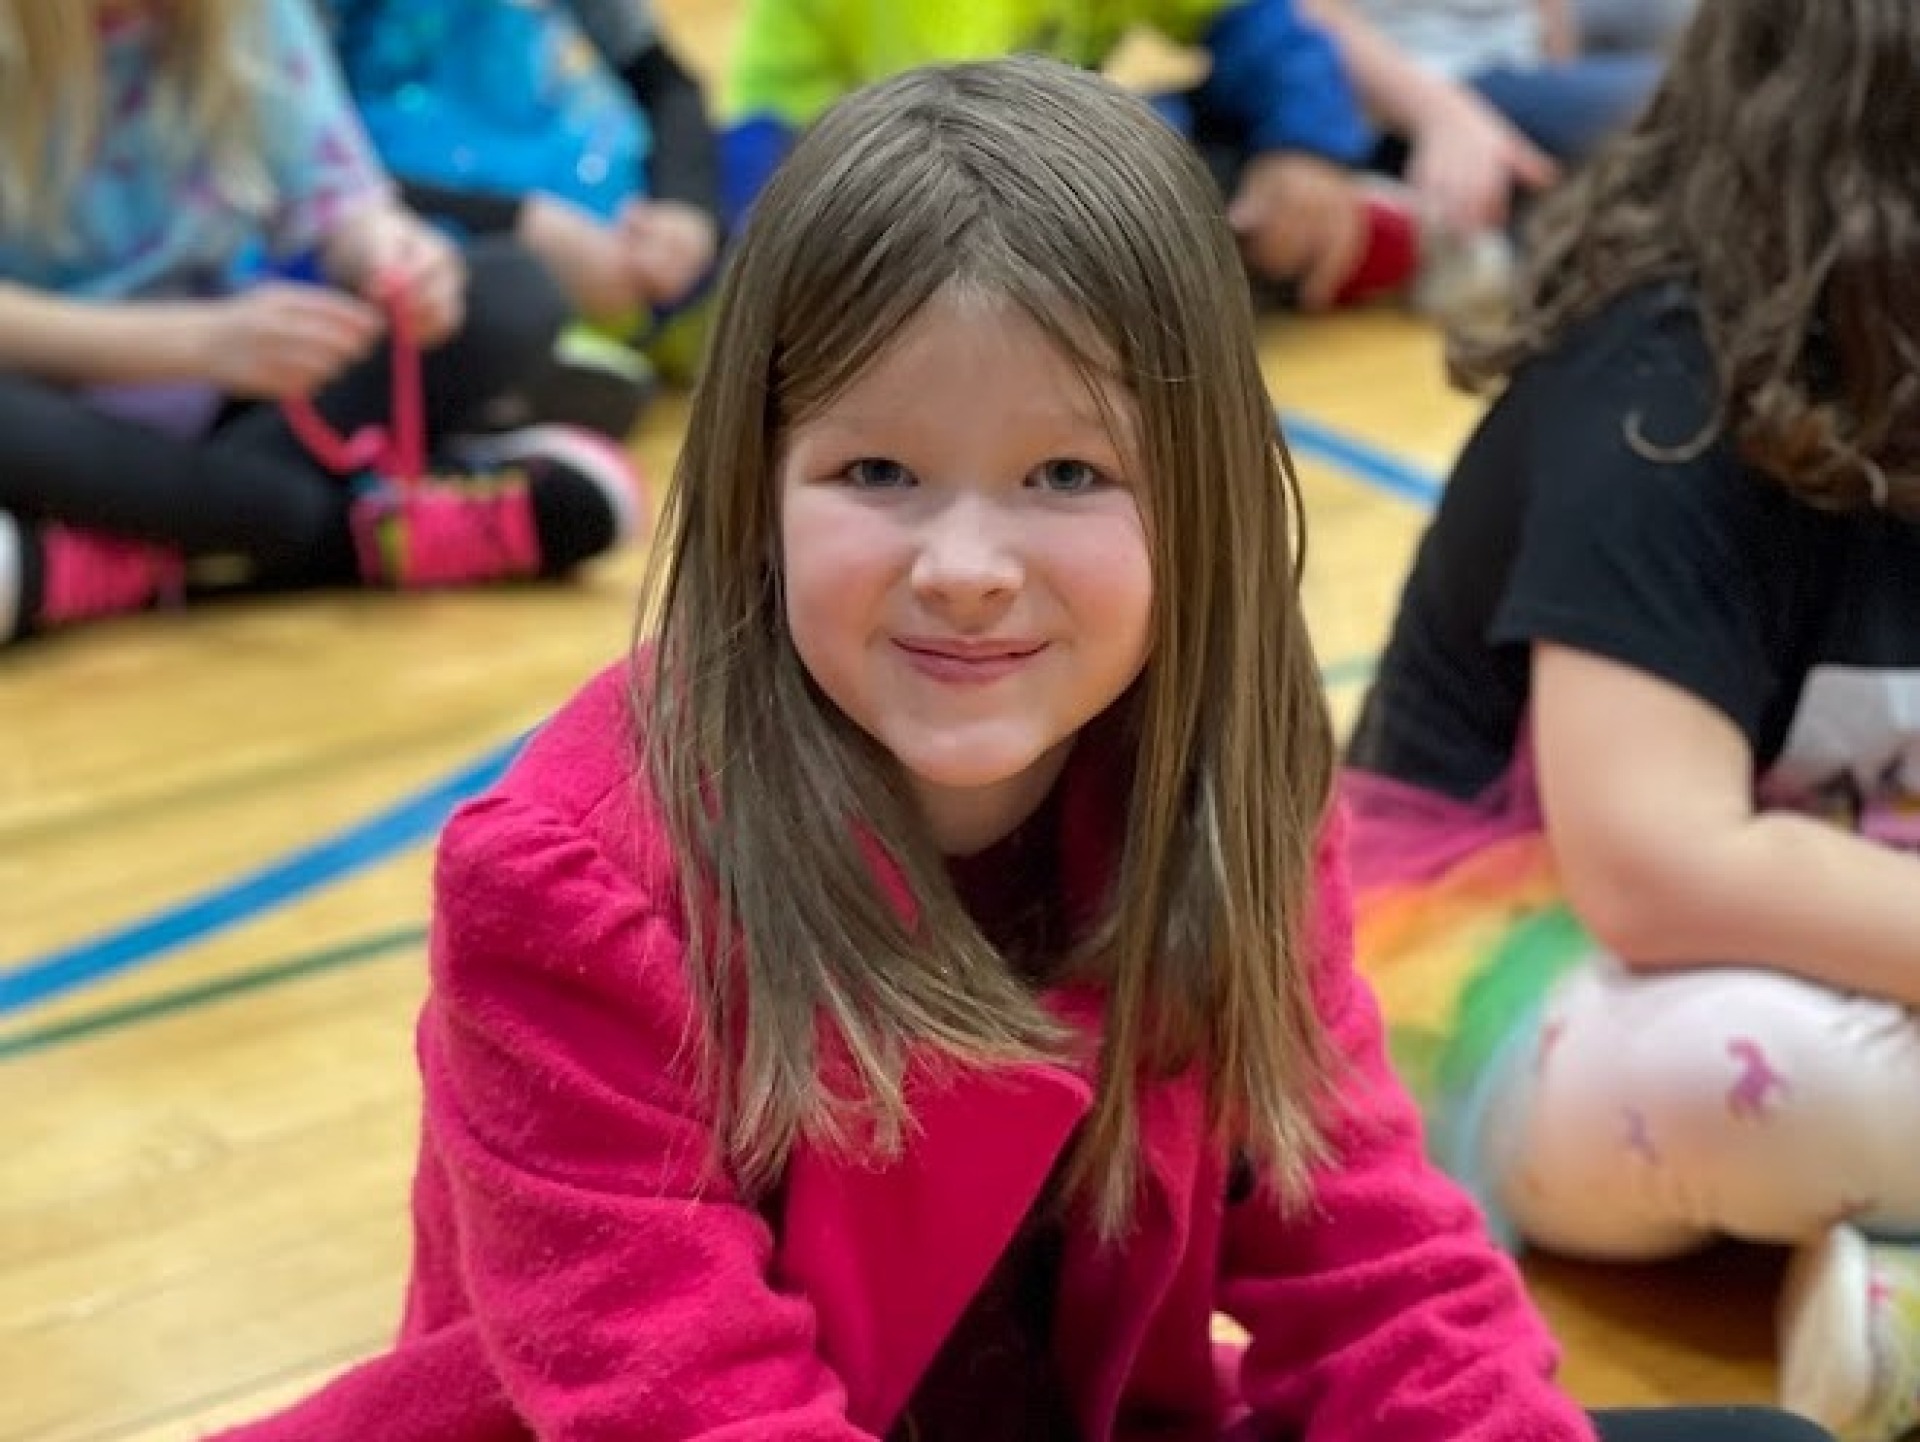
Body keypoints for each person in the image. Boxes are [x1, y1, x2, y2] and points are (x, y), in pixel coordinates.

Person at [213, 57, 1832, 1442]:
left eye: (1066, 473)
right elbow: (691, 1405)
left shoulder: (1215, 798)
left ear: (1193, 491)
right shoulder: (565, 888)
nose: (968, 563)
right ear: (758, 487)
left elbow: (1377, 1267)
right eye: (879, 472)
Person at [1341, 3, 1920, 1439]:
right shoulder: (1665, 373)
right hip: (1535, 964)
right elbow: (1659, 870)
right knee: (1772, 1067)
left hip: (1828, 891)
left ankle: (1882, 1301)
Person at [0, 0, 641, 646]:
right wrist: (195, 342)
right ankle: (353, 534)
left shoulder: (247, 16)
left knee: (510, 294)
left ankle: (99, 557)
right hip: (49, 400)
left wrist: (396, 257)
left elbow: (339, 202)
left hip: (232, 395)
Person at [719, 0, 1475, 315]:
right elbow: (968, 153)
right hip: (855, 199)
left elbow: (1258, 26)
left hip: (1022, 191)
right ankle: (1278, 261)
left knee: (1171, 139)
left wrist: (1306, 150)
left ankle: (1300, 232)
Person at [327, 0, 723, 431]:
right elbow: (306, 182)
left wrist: (685, 208)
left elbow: (664, 82)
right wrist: (521, 223)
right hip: (419, 217)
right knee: (489, 293)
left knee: (763, 170)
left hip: (596, 182)